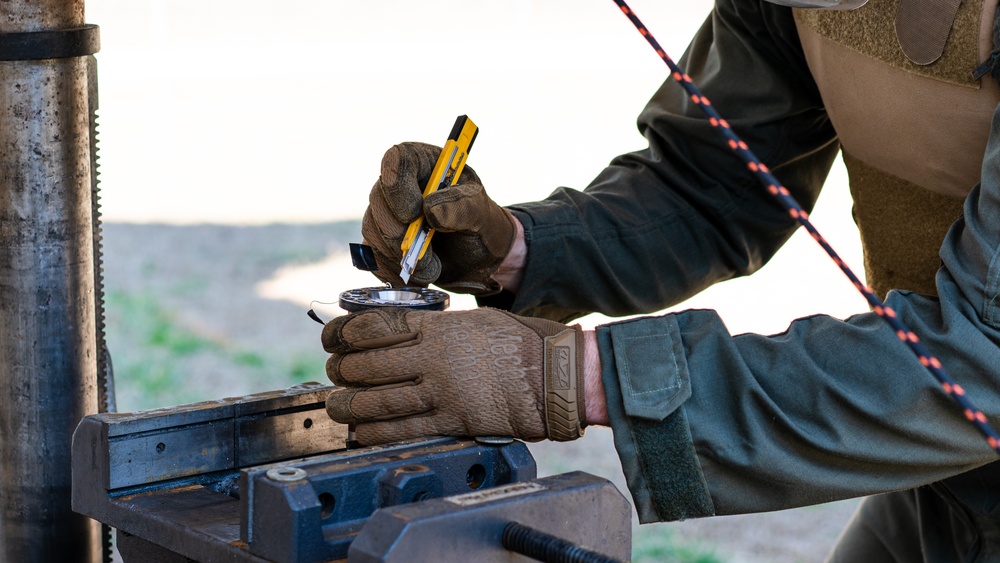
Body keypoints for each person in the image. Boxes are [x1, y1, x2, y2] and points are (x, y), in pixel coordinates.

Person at [322, 0, 1000, 560]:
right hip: (941, 477)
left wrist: (567, 377)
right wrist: (518, 251)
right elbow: (711, 183)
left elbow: (983, 355)